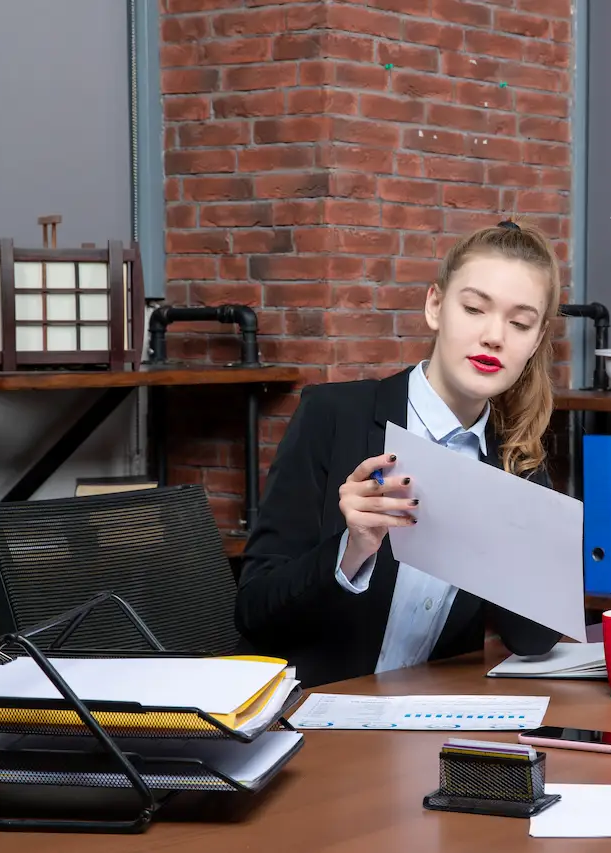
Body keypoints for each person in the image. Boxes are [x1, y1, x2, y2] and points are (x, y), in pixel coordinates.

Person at [235, 220, 563, 687]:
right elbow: (253, 612)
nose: (495, 336)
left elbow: (532, 638)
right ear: (435, 305)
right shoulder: (333, 416)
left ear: (535, 341)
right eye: (474, 308)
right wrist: (351, 550)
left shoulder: (515, 457)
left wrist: (509, 518)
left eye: (520, 323)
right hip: (311, 722)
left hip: (431, 726)